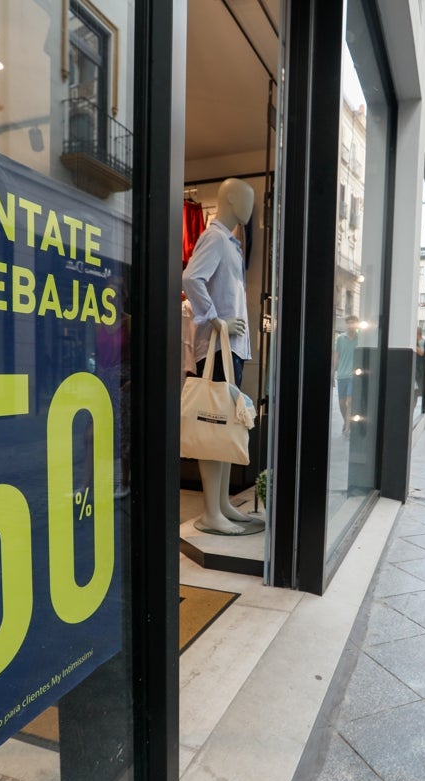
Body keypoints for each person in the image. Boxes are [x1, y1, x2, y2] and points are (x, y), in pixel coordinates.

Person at [181, 177, 258, 535]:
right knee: (214, 422)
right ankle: (211, 511)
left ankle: (222, 504)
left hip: (230, 348)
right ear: (230, 198)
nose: (251, 207)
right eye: (247, 199)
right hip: (216, 347)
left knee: (225, 424)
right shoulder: (213, 237)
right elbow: (191, 278)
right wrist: (216, 322)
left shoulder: (230, 242)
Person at [333, 315, 359, 436]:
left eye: (353, 323)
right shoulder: (340, 339)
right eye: (348, 323)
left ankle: (348, 429)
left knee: (349, 401)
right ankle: (346, 421)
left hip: (353, 375)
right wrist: (333, 372)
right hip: (341, 375)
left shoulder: (360, 339)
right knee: (342, 403)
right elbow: (337, 356)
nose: (350, 325)